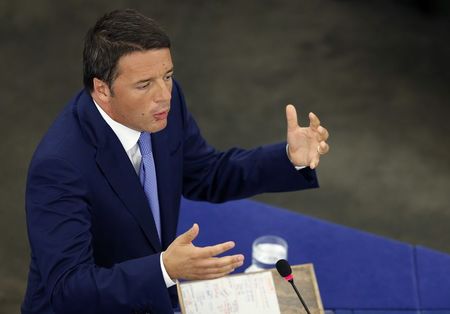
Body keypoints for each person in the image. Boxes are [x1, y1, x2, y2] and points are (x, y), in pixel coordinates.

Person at [22, 9, 329, 314]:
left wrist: (289, 158)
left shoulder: (162, 106)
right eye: (144, 85)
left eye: (167, 76)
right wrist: (164, 269)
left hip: (149, 299)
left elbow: (205, 174)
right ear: (102, 89)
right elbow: (68, 290)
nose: (164, 95)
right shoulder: (59, 167)